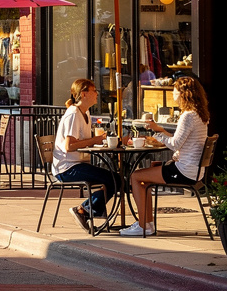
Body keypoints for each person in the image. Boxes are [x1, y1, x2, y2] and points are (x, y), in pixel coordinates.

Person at [122, 76, 211, 237]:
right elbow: (182, 141)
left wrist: (156, 133)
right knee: (143, 179)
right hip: (194, 171)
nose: (173, 93)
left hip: (183, 171)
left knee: (135, 177)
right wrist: (159, 129)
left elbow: (174, 144)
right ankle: (146, 224)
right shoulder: (200, 115)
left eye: (175, 90)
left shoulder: (187, 116)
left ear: (184, 93)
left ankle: (144, 226)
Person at [54, 78, 123, 234]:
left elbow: (84, 142)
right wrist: (96, 140)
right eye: (94, 91)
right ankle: (83, 210)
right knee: (114, 179)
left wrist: (100, 142)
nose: (97, 94)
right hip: (67, 167)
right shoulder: (73, 114)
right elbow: (69, 146)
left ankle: (89, 211)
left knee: (115, 179)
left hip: (78, 163)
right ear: (84, 94)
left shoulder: (86, 113)